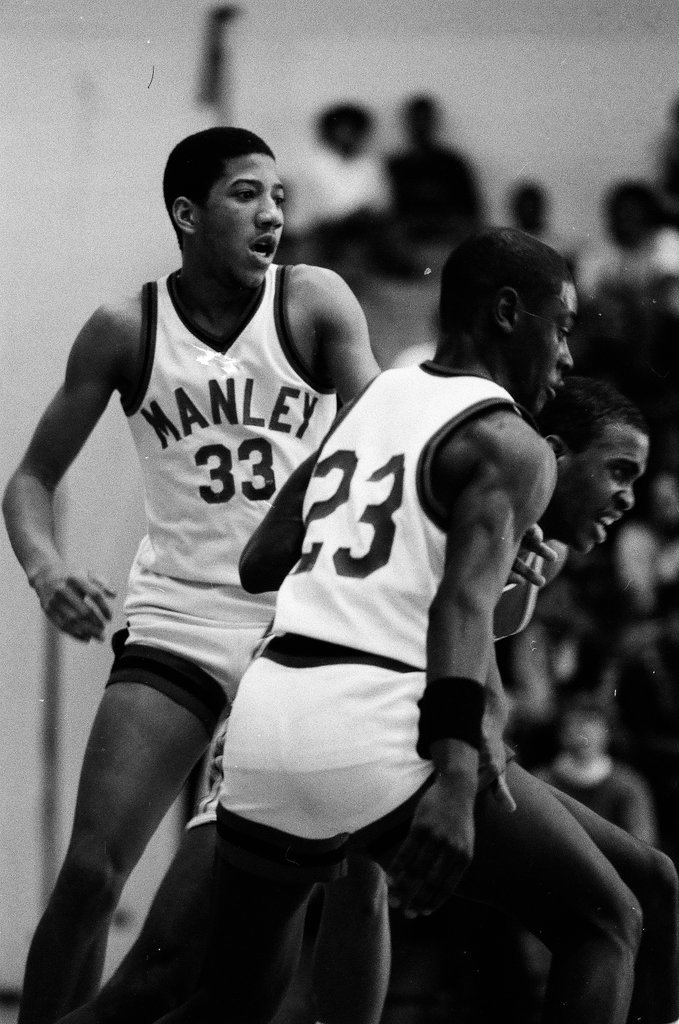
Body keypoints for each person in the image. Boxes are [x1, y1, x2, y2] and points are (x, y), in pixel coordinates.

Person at [152, 233, 677, 1024]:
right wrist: (456, 785)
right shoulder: (514, 443)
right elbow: (460, 609)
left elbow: (261, 560)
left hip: (265, 725)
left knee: (225, 1000)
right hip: (379, 728)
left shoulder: (376, 399)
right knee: (605, 923)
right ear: (508, 314)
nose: (567, 353)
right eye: (560, 326)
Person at [3, 126, 382, 1024]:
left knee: (349, 882)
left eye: (280, 197)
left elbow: (382, 425)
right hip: (178, 617)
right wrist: (47, 568)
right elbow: (27, 481)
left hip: (299, 627)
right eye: (248, 194)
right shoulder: (127, 327)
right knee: (93, 873)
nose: (273, 214)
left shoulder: (315, 302)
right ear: (187, 213)